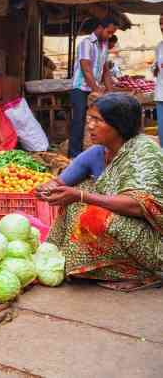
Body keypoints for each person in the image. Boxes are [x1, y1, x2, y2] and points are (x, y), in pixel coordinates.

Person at [40, 93, 163, 292]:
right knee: (77, 199)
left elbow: (139, 204)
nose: (90, 126)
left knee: (93, 212)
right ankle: (82, 263)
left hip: (155, 237)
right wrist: (48, 189)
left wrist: (81, 196)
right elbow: (62, 183)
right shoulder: (100, 151)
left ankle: (145, 273)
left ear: (119, 124)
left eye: (97, 120)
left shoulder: (145, 152)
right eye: (90, 119)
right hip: (130, 224)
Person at [68, 18, 117, 158]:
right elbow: (86, 69)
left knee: (99, 119)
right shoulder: (86, 43)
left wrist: (111, 93)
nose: (109, 36)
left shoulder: (105, 45)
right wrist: (96, 90)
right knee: (79, 119)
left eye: (112, 34)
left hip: (92, 87)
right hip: (79, 88)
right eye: (108, 32)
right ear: (100, 27)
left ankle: (97, 153)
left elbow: (105, 70)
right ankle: (74, 155)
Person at [153, 15, 163, 146]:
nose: (162, 26)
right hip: (161, 94)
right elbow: (157, 70)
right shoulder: (159, 47)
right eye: (160, 23)